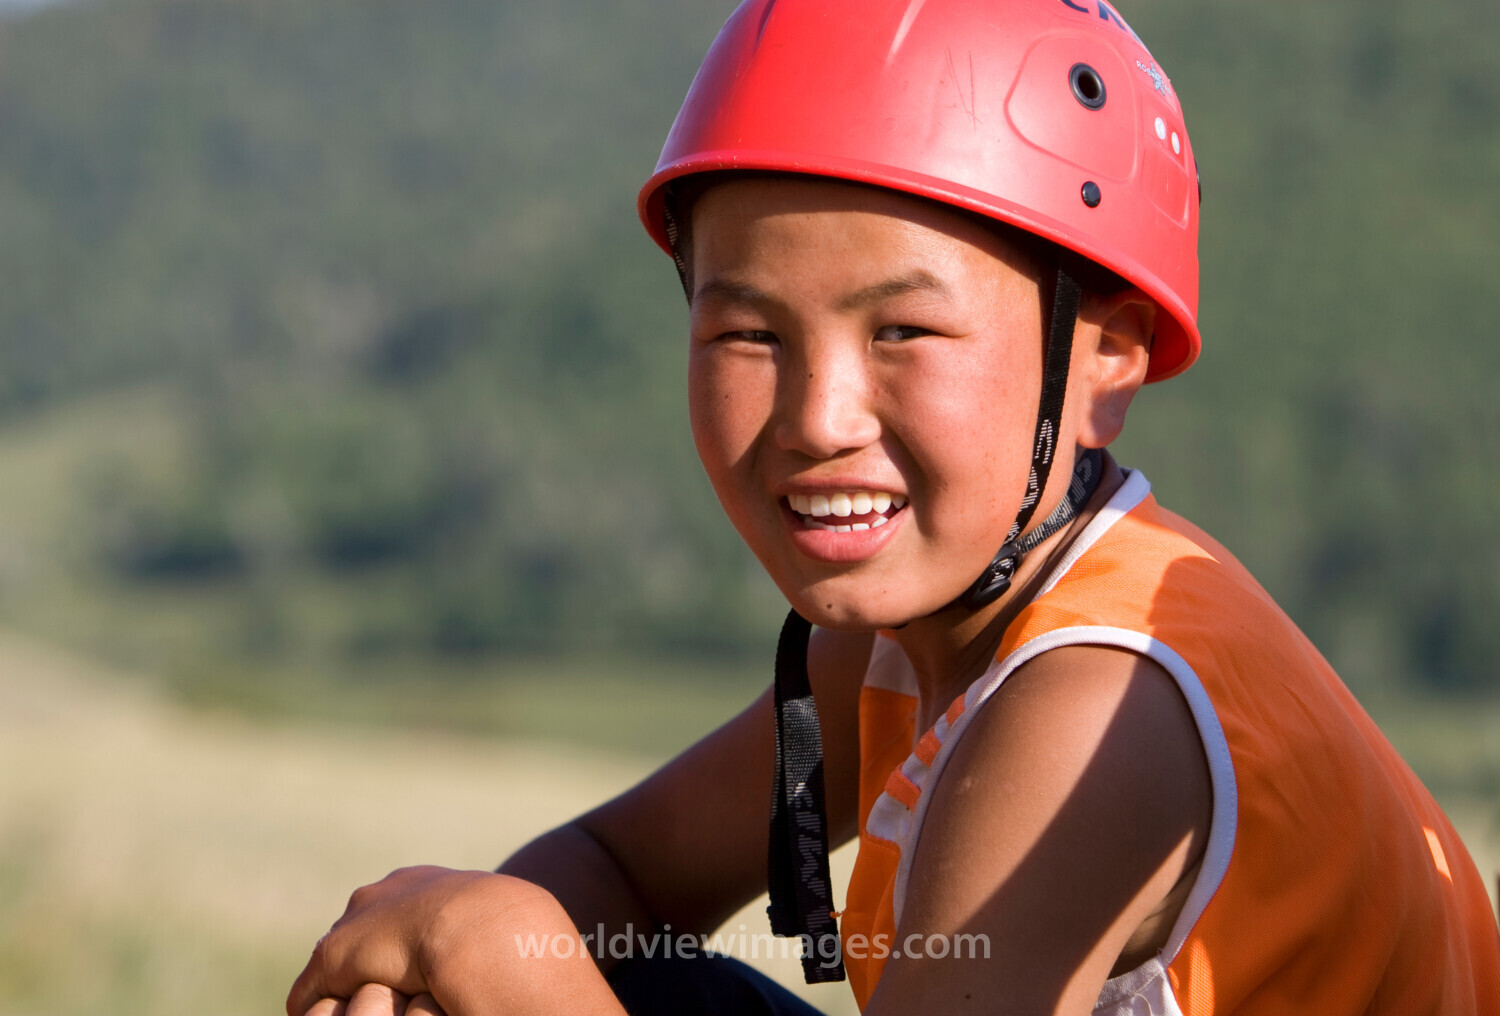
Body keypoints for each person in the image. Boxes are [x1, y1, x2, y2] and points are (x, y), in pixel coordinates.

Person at [286, 1, 1500, 1013]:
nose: (819, 416)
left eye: (904, 330)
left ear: (1105, 358)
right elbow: (616, 873)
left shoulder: (1098, 706)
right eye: (748, 331)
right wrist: (466, 958)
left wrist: (510, 969)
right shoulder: (887, 646)